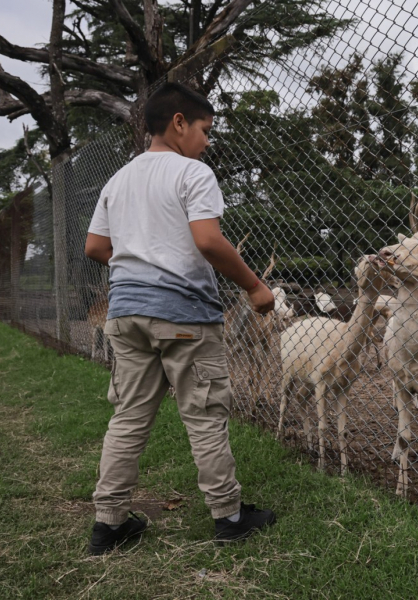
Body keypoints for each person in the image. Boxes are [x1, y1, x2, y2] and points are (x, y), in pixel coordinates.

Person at [84, 82, 277, 555]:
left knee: (128, 416)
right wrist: (255, 286)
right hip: (185, 316)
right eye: (205, 130)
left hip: (126, 313)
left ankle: (107, 524)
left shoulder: (119, 180)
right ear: (178, 123)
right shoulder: (192, 173)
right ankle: (229, 517)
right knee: (206, 415)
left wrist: (140, 266)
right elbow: (208, 241)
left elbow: (95, 248)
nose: (207, 142)